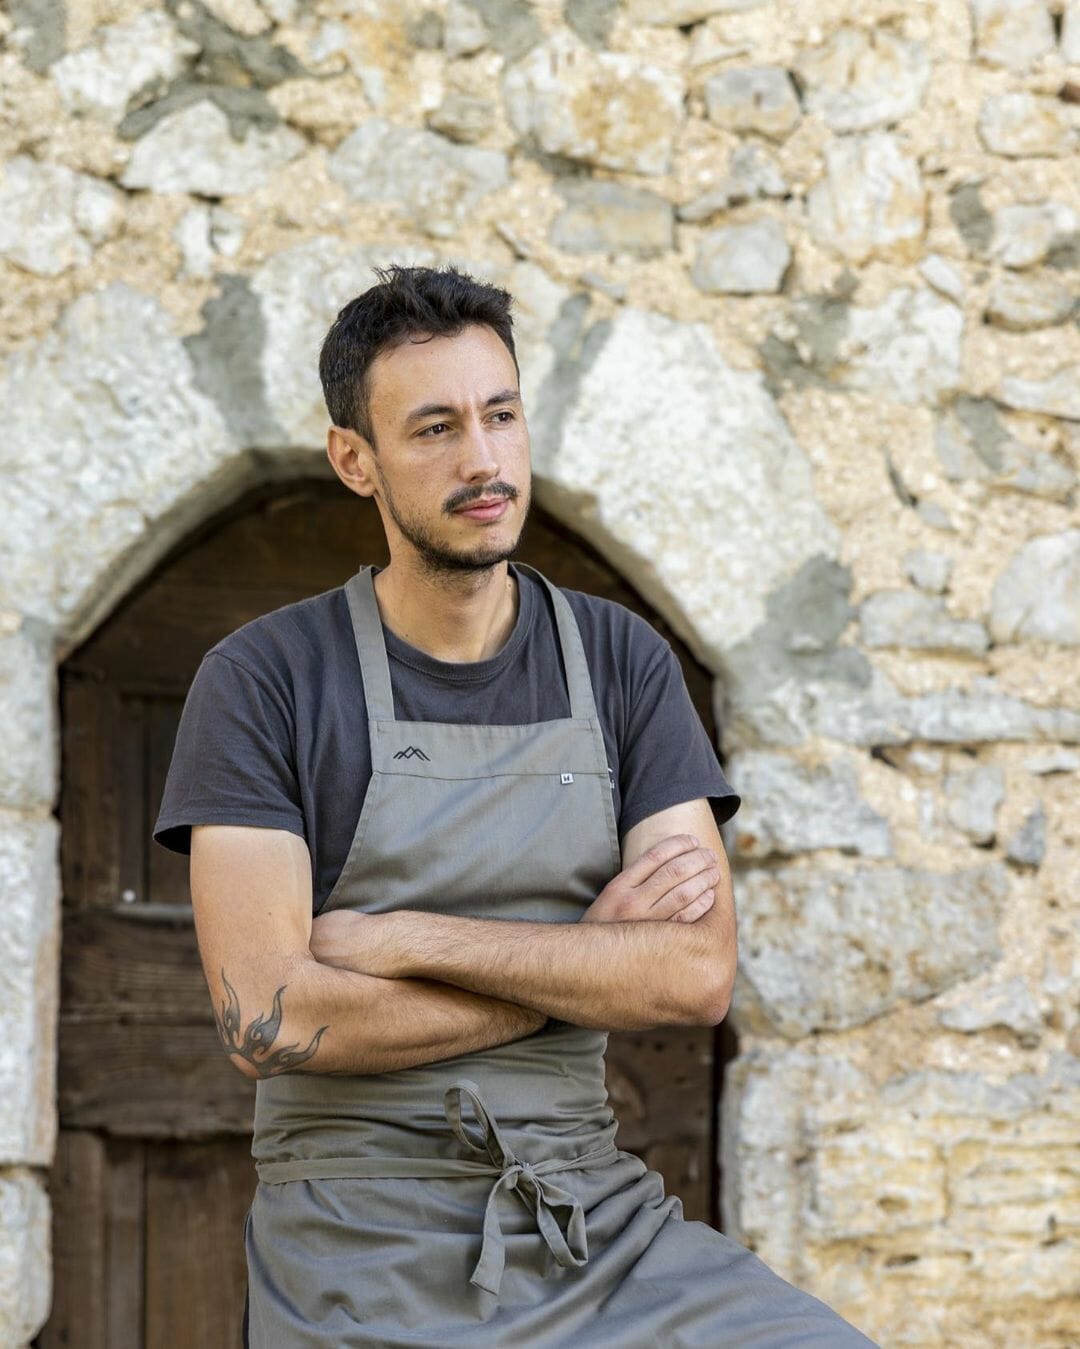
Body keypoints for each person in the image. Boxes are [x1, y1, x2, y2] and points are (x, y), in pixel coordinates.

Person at [153, 264, 877, 1347]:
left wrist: (406, 940)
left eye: (500, 414)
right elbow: (274, 1017)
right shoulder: (264, 678)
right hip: (360, 1231)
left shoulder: (621, 659)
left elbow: (692, 972)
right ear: (356, 459)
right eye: (435, 427)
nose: (483, 459)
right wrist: (583, 966)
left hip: (592, 1216)